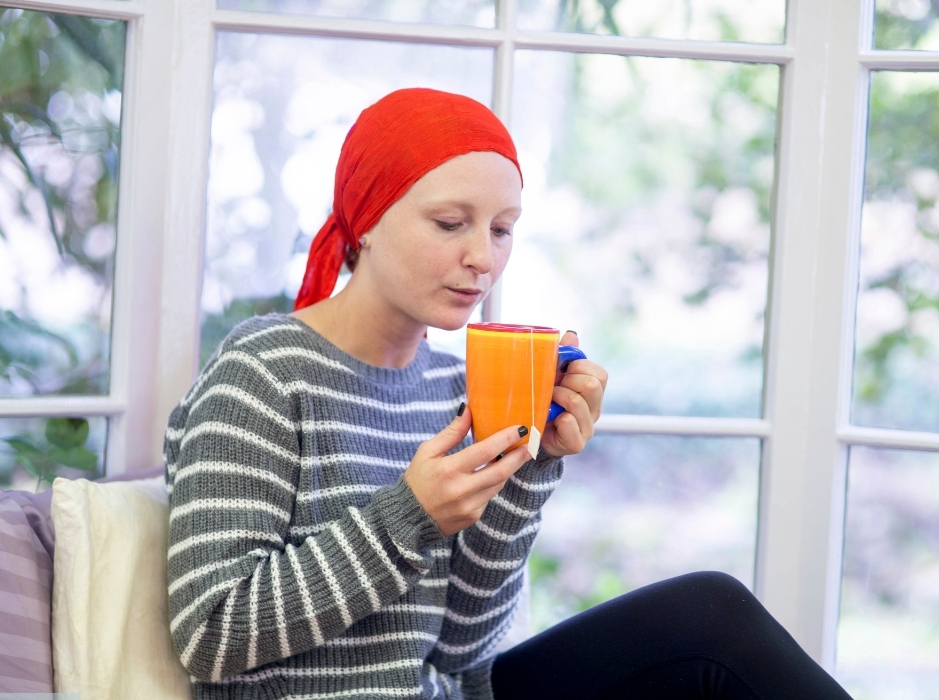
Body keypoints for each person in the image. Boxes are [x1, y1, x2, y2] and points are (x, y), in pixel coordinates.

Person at [164, 88, 853, 700]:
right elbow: (210, 638)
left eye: (501, 230)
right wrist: (406, 518)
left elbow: (460, 647)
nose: (482, 259)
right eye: (449, 223)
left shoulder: (449, 383)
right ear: (367, 218)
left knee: (709, 615)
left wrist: (530, 466)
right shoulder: (261, 372)